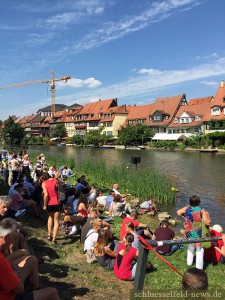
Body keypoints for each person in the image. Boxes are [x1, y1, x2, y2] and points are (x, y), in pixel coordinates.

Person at [0, 218, 60, 300]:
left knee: (32, 260)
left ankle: (35, 289)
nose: (13, 242)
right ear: (6, 237)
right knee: (52, 292)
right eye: (13, 238)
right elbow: (19, 289)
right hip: (7, 297)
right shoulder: (2, 262)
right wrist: (15, 271)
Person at [177, 195, 211, 270]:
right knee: (199, 249)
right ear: (198, 202)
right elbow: (208, 222)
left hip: (189, 231)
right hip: (198, 232)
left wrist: (186, 218)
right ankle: (199, 268)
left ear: (190, 202)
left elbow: (178, 212)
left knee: (190, 246)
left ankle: (189, 263)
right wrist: (206, 216)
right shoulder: (201, 210)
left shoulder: (187, 208)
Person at [42, 172, 62, 243]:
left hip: (50, 203)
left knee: (50, 218)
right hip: (58, 203)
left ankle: (49, 235)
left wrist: (44, 205)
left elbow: (46, 195)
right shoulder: (56, 180)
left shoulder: (44, 183)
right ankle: (54, 239)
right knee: (56, 221)